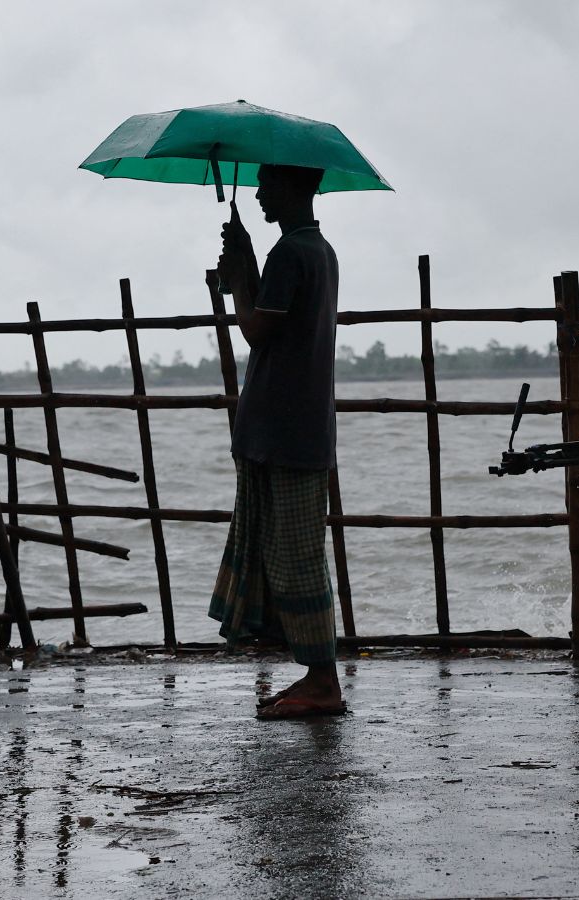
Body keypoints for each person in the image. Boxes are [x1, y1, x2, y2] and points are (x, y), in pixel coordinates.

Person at [209, 163, 347, 717]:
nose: (260, 193)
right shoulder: (318, 249)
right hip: (289, 424)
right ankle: (315, 673)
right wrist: (243, 266)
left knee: (295, 557)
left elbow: (256, 328)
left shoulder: (291, 253)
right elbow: (270, 317)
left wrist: (242, 275)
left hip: (284, 427)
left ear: (293, 188)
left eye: (267, 184)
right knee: (283, 550)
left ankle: (322, 679)